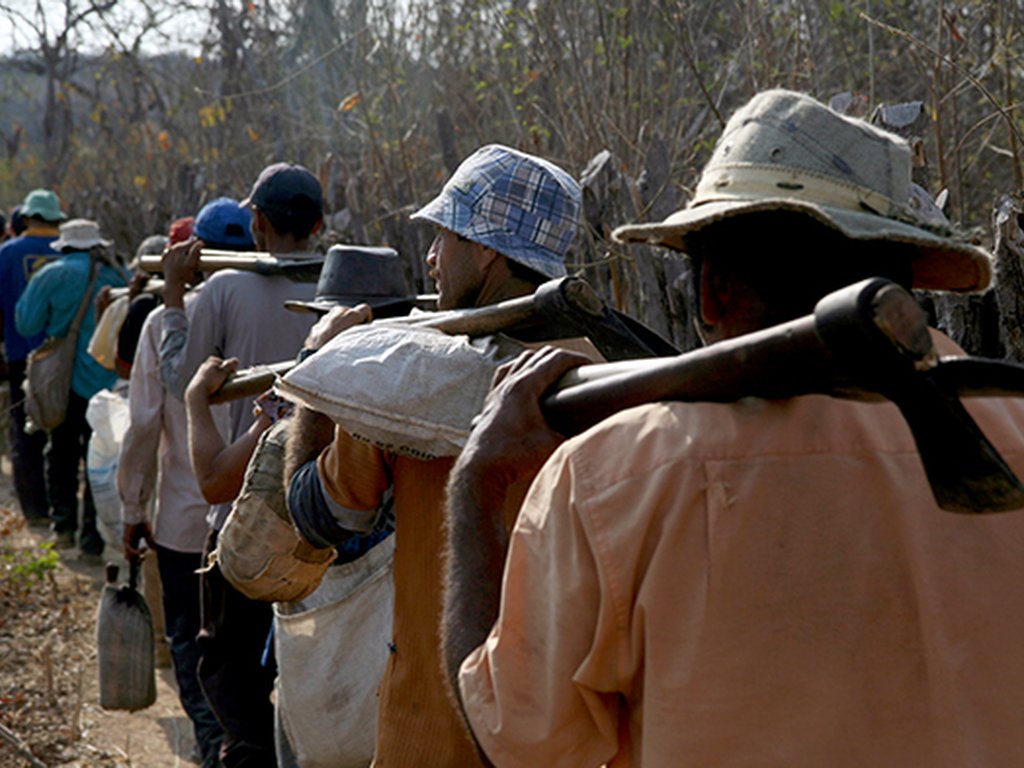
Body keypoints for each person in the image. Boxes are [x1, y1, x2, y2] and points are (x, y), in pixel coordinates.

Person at [439, 89, 1024, 767]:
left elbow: (509, 740)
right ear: (901, 273)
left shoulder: (613, 479)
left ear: (711, 289)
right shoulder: (1011, 432)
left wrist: (476, 488)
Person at [284, 144, 585, 766]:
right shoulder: (608, 375)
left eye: (443, 238)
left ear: (486, 251)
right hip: (564, 739)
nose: (430, 258)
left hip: (431, 734)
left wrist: (323, 372)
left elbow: (318, 518)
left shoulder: (411, 380)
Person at [160, 168, 322, 768]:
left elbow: (184, 381)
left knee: (229, 665)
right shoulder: (351, 288)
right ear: (319, 225)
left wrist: (175, 299)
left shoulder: (227, 288)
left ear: (257, 223)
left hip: (246, 508)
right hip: (332, 509)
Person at [117, 198, 255, 768]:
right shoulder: (292, 310)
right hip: (259, 525)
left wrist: (132, 507)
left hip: (183, 524)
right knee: (247, 660)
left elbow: (145, 426)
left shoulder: (164, 322)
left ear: (191, 255)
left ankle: (212, 751)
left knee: (192, 650)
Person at [15, 218, 126, 561]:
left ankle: (63, 528)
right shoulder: (114, 276)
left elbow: (26, 323)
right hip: (106, 384)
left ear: (66, 246)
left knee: (60, 452)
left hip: (64, 382)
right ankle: (92, 541)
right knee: (99, 459)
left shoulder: (52, 274)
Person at [0, 189, 65, 525]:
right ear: (57, 220)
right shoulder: (73, 254)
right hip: (67, 359)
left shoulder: (7, 254)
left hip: (20, 355)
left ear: (26, 218)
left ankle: (36, 510)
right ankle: (64, 509)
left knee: (26, 432)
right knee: (66, 435)